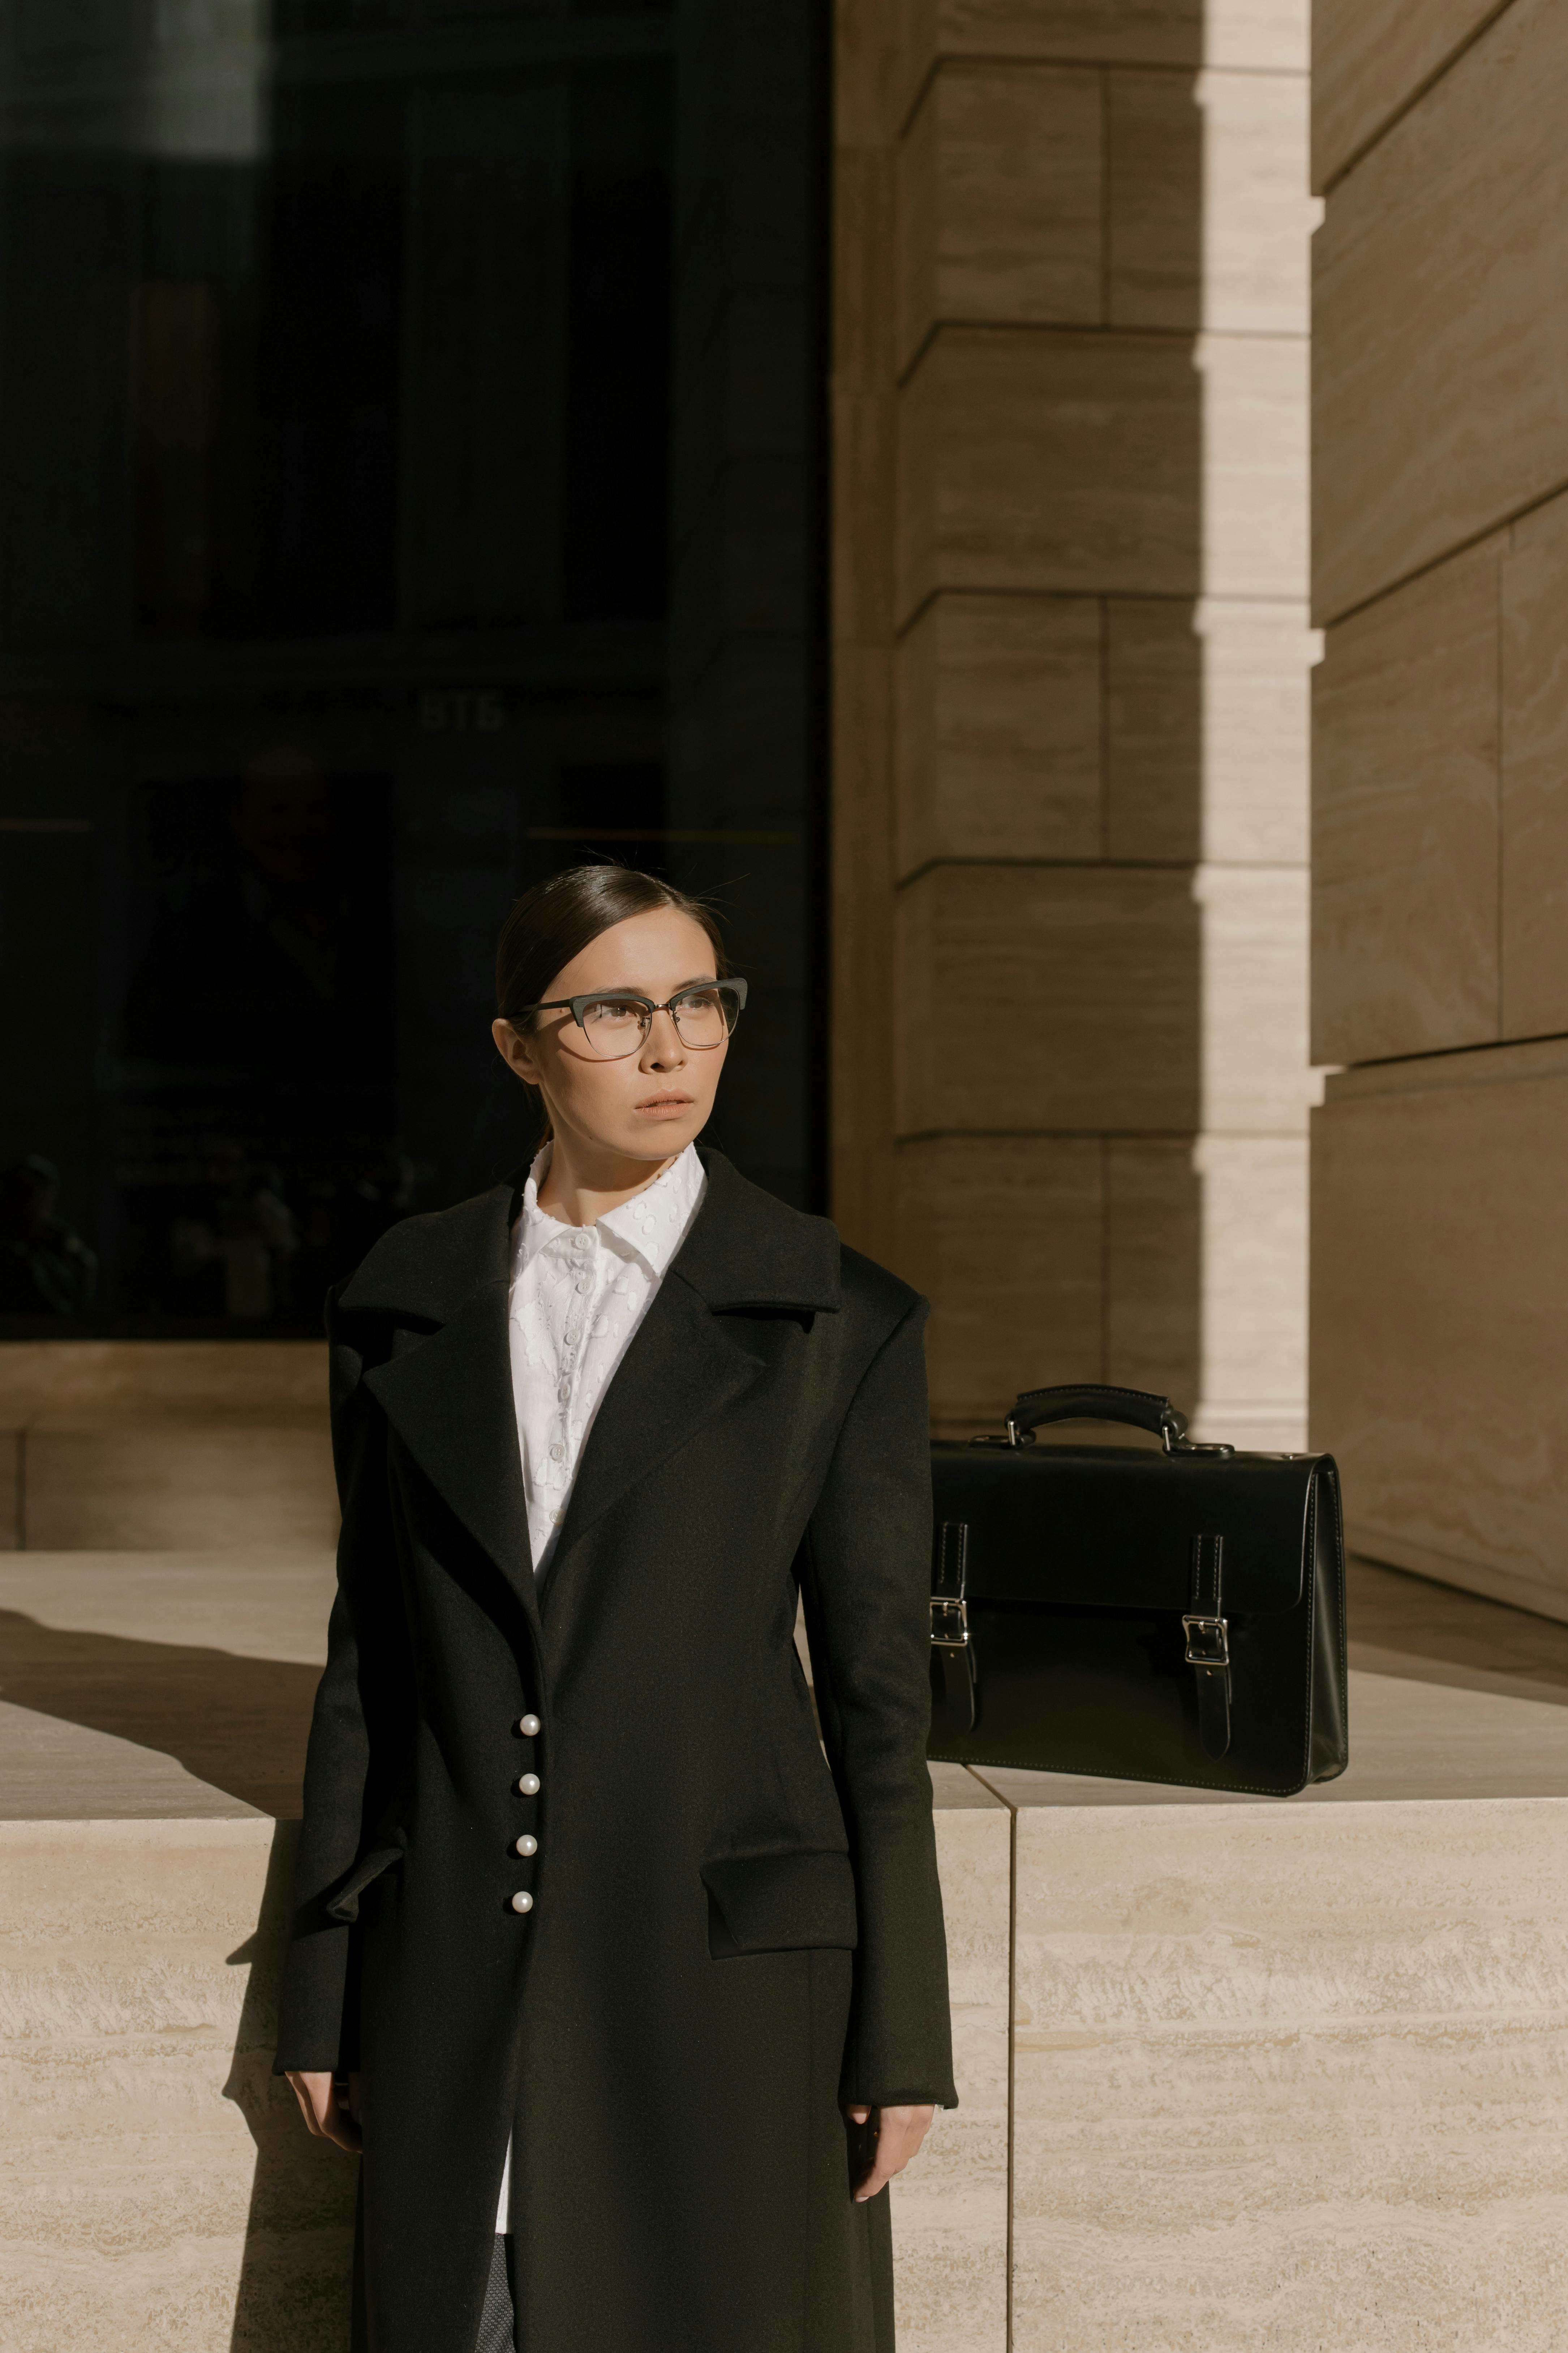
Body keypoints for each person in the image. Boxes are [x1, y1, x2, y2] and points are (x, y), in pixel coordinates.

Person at [275, 864, 955, 2353]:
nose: (669, 1047)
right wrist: (319, 1987)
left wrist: (903, 2031)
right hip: (457, 1969)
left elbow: (876, 1700)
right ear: (519, 1044)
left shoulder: (836, 1310)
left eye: (699, 1000)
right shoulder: (405, 1295)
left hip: (727, 1989)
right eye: (614, 1008)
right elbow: (369, 1658)